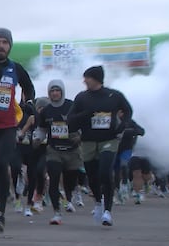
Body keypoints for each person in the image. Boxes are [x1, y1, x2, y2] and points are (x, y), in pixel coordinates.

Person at [0, 28, 35, 233]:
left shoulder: (15, 68)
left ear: (9, 46)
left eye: (5, 42)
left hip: (7, 127)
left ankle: (1, 214)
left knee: (2, 163)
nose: (1, 46)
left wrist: (28, 101)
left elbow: (29, 87)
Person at [68, 65, 133, 227]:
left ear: (96, 78)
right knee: (92, 174)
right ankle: (98, 201)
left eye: (87, 77)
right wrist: (85, 114)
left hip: (109, 140)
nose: (84, 81)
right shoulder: (82, 97)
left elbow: (128, 110)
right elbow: (70, 119)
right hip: (88, 140)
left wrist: (122, 125)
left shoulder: (114, 96)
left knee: (105, 171)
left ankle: (108, 211)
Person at [33, 80, 82, 225]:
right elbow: (41, 129)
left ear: (62, 92)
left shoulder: (71, 106)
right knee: (54, 179)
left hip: (72, 150)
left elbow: (82, 123)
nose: (55, 93)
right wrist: (37, 139)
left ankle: (69, 195)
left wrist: (80, 136)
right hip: (54, 150)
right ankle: (56, 213)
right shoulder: (46, 111)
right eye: (52, 91)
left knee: (70, 180)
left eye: (57, 90)